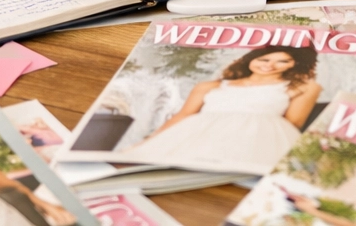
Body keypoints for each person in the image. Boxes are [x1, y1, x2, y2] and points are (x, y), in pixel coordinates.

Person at [123, 45, 322, 172]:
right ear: (251, 60)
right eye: (264, 59)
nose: (270, 66)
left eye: (283, 61)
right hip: (198, 136)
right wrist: (149, 140)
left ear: (294, 64)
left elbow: (293, 123)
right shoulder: (209, 86)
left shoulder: (302, 87)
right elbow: (183, 115)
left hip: (258, 141)